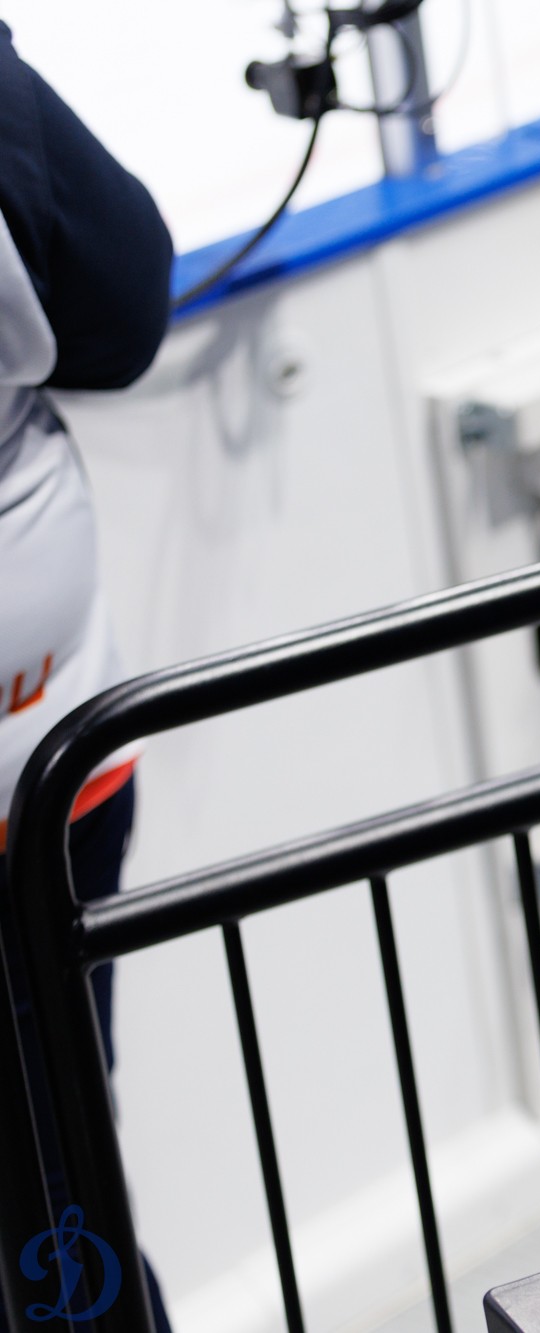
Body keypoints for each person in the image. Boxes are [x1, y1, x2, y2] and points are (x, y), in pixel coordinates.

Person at [1, 19, 173, 1330]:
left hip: (50, 768)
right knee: (53, 1193)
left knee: (56, 1205)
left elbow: (120, 299)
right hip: (51, 758)